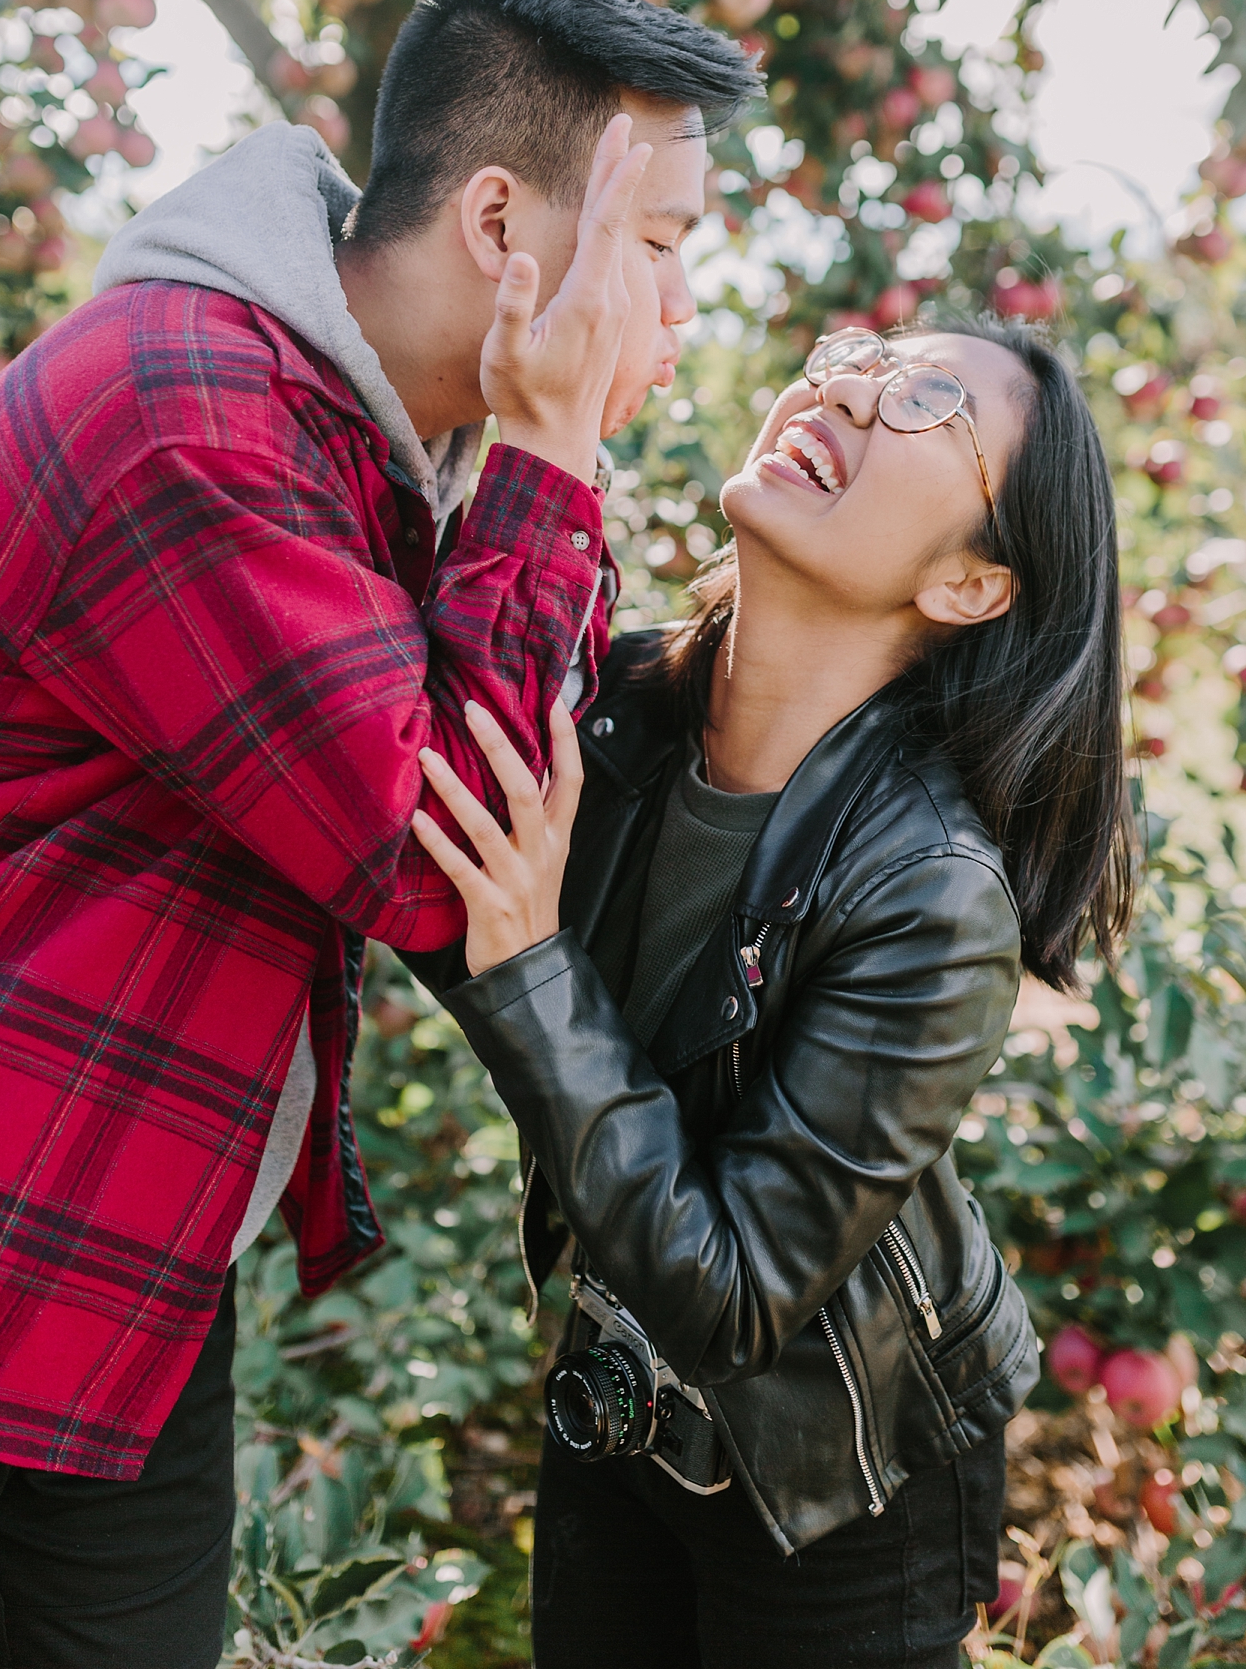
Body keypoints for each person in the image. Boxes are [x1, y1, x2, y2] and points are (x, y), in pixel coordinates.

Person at [0, 0, 761, 1669]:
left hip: (109, 1261)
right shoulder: (192, 412)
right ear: (499, 230)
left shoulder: (374, 444)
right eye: (662, 248)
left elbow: (540, 787)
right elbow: (433, 856)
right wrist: (551, 455)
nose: (679, 312)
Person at [410, 319, 1136, 1669]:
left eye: (925, 399)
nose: (847, 386)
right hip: (624, 1397)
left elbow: (738, 1292)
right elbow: (407, 843)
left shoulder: (928, 888)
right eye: (857, 351)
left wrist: (525, 967)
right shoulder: (615, 714)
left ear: (974, 585)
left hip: (842, 1475)